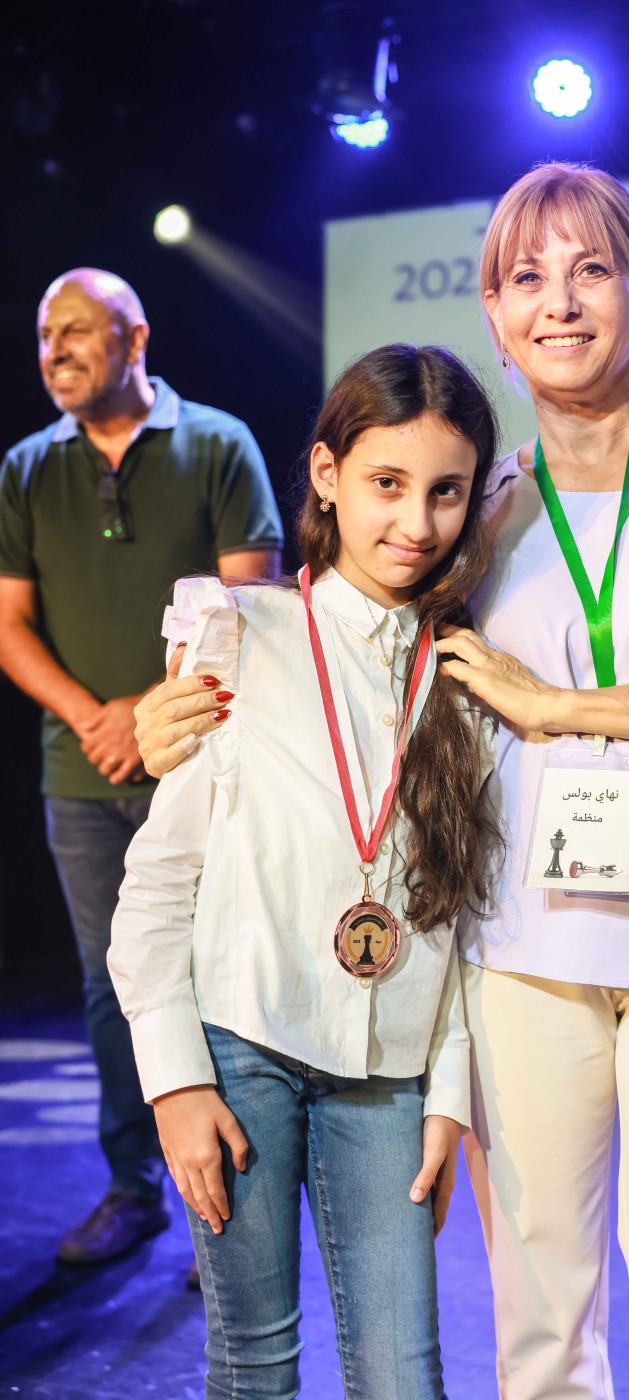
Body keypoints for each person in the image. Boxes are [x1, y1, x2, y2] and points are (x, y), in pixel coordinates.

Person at [132, 164, 629, 1399]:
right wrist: (173, 701)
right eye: (526, 277)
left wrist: (561, 706)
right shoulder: (476, 516)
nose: (561, 301)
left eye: (592, 269)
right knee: (540, 1303)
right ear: (495, 316)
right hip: (527, 942)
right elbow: (342, 650)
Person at [107, 343, 500, 1399]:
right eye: (386, 483)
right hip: (243, 1046)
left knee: (403, 1378)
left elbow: (466, 914)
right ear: (326, 474)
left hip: (394, 1067)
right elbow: (156, 889)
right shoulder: (238, 632)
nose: (416, 522)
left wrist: (449, 1093)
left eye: (446, 491)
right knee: (255, 1365)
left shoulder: (467, 671)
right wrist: (175, 1080)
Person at [0, 267, 283, 1266]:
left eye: (78, 329)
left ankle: (230, 1192)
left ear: (136, 338)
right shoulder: (26, 467)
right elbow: (9, 623)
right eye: (46, 335)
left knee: (215, 974)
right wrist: (96, 718)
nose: (56, 350)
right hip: (80, 774)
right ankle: (134, 1186)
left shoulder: (219, 443)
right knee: (104, 984)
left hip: (201, 765)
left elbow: (250, 606)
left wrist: (145, 711)